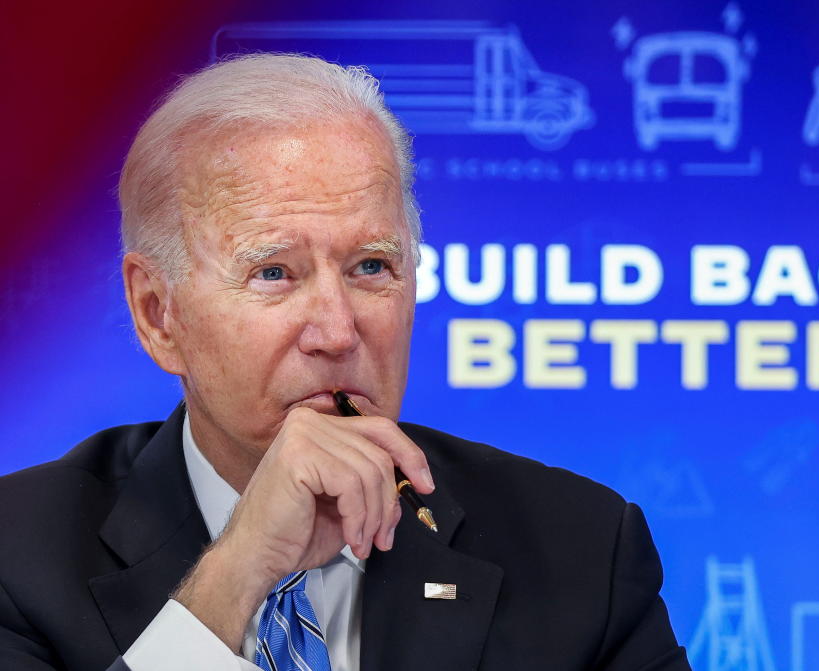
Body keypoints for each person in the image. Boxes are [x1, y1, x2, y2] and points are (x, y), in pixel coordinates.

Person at [0, 54, 691, 671]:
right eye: (273, 272)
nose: (337, 330)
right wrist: (236, 572)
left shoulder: (582, 549)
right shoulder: (19, 557)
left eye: (371, 266)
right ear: (159, 314)